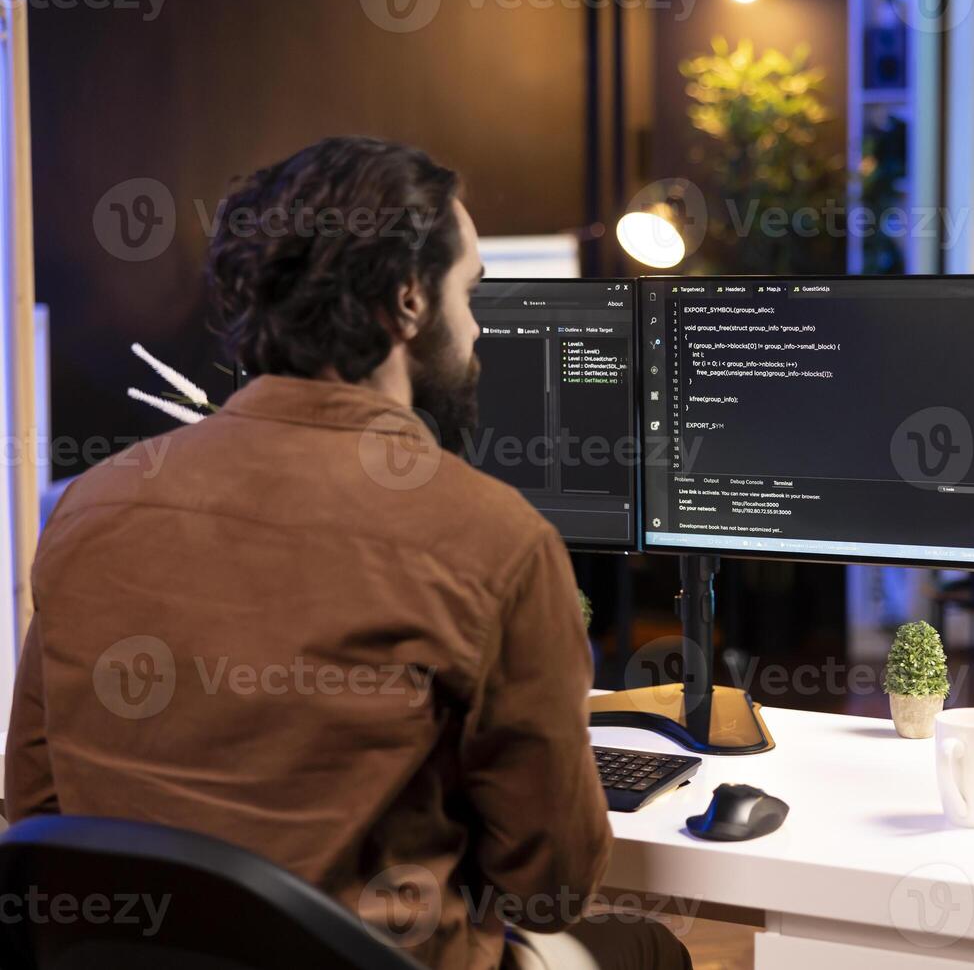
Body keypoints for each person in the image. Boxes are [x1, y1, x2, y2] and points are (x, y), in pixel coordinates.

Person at [5, 136, 691, 970]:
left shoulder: (89, 508)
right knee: (651, 949)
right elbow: (548, 884)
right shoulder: (495, 539)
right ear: (407, 301)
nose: (477, 329)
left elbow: (35, 810)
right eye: (470, 292)